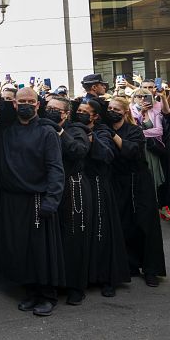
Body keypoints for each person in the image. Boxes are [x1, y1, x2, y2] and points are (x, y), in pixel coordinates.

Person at [0, 87, 65, 317]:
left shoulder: (47, 133)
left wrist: (51, 201)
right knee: (21, 249)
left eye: (30, 101)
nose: (26, 104)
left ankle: (47, 295)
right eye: (21, 101)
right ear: (14, 104)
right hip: (14, 201)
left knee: (41, 250)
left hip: (39, 199)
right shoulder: (7, 132)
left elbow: (56, 169)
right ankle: (30, 292)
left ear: (38, 105)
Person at [108, 96, 167, 287]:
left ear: (125, 112)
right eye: (109, 108)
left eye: (116, 109)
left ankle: (151, 269)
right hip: (118, 182)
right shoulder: (104, 130)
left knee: (145, 223)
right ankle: (131, 264)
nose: (112, 112)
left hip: (139, 181)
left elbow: (131, 151)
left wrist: (113, 135)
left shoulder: (134, 131)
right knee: (124, 223)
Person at [75, 100, 130, 297]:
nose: (81, 114)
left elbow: (107, 154)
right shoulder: (73, 129)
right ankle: (85, 277)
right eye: (79, 111)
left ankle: (106, 278)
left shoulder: (103, 132)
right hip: (81, 185)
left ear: (95, 116)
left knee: (102, 233)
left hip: (99, 185)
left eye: (85, 112)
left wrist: (91, 138)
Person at [44, 96, 92, 304]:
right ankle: (55, 284)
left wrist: (60, 131)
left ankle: (75, 287)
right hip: (51, 190)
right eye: (48, 108)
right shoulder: (43, 127)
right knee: (53, 239)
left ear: (65, 114)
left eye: (56, 109)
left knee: (74, 239)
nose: (51, 111)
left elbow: (79, 151)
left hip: (74, 189)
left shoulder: (75, 130)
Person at [130, 89, 165, 199]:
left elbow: (159, 131)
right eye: (139, 96)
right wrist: (141, 113)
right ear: (134, 98)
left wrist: (140, 133)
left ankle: (156, 207)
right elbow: (132, 128)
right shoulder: (131, 110)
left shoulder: (153, 111)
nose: (142, 99)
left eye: (145, 96)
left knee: (153, 178)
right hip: (138, 150)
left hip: (151, 150)